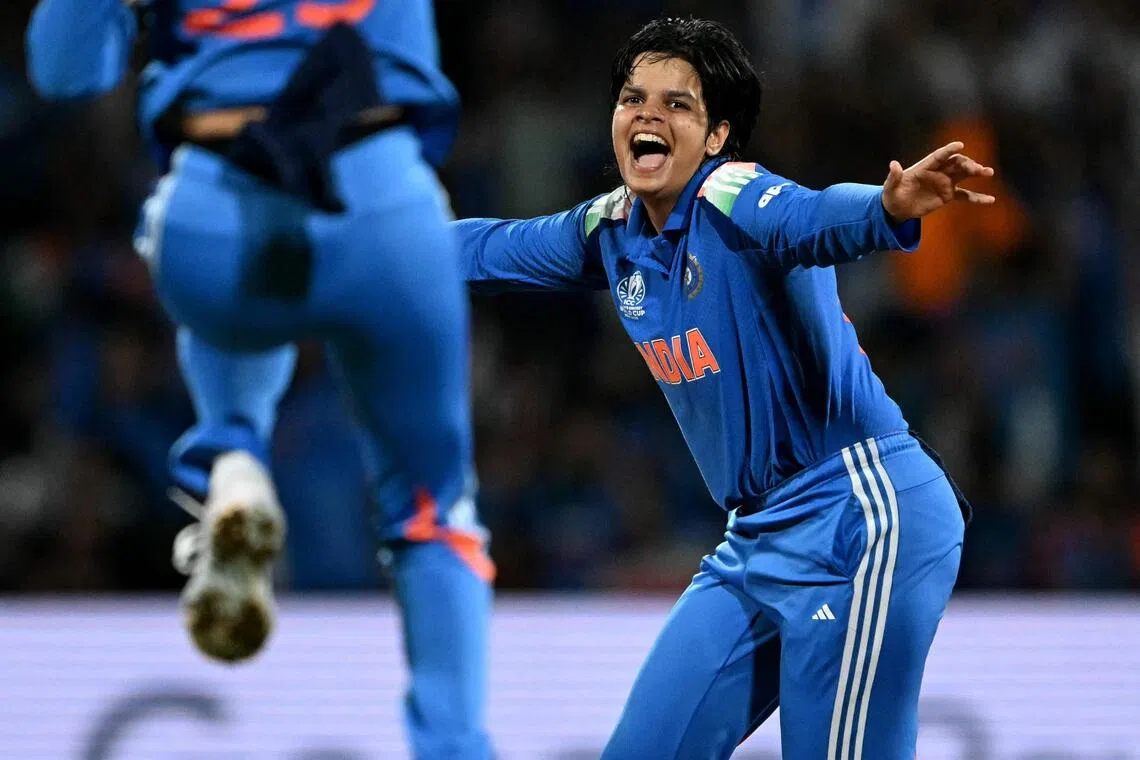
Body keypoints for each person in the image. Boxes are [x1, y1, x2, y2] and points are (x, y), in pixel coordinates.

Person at [455, 16, 991, 760]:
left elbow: (812, 217)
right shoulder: (611, 230)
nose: (647, 114)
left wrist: (886, 209)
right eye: (632, 98)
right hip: (757, 535)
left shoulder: (732, 193)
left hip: (859, 517)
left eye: (677, 104)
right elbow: (489, 249)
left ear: (716, 138)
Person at [25, 1, 494, 757]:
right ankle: (455, 747)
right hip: (381, 195)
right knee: (433, 515)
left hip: (213, 204)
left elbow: (66, 69)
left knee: (195, 246)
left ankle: (232, 449)